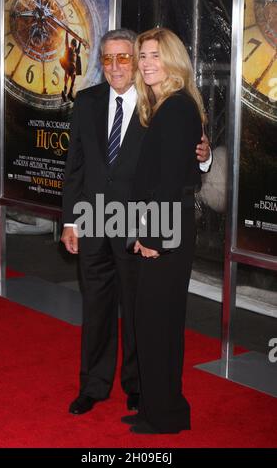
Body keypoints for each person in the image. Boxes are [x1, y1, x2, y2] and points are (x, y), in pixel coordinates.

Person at [61, 28, 211, 417]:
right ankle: (93, 385)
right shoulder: (86, 101)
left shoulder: (156, 102)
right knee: (96, 309)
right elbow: (74, 167)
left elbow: (176, 161)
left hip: (136, 221)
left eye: (125, 57)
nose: (116, 67)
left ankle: (137, 386)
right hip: (93, 220)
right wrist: (70, 221)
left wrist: (204, 153)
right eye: (108, 59)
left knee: (136, 308)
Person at [121, 27, 207, 434]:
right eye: (142, 56)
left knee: (158, 323)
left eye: (155, 55)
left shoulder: (175, 108)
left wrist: (154, 238)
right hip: (165, 224)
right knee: (154, 321)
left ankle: (166, 415)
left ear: (173, 60)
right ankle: (157, 408)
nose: (146, 64)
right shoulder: (167, 105)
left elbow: (171, 181)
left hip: (167, 229)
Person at [60, 31, 83, 102]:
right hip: (68, 66)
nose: (73, 46)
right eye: (73, 45)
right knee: (66, 76)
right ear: (71, 44)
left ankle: (70, 93)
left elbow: (79, 48)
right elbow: (66, 42)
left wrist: (80, 42)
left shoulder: (76, 51)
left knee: (73, 78)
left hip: (73, 69)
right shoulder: (68, 49)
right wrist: (66, 33)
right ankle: (65, 91)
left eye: (74, 45)